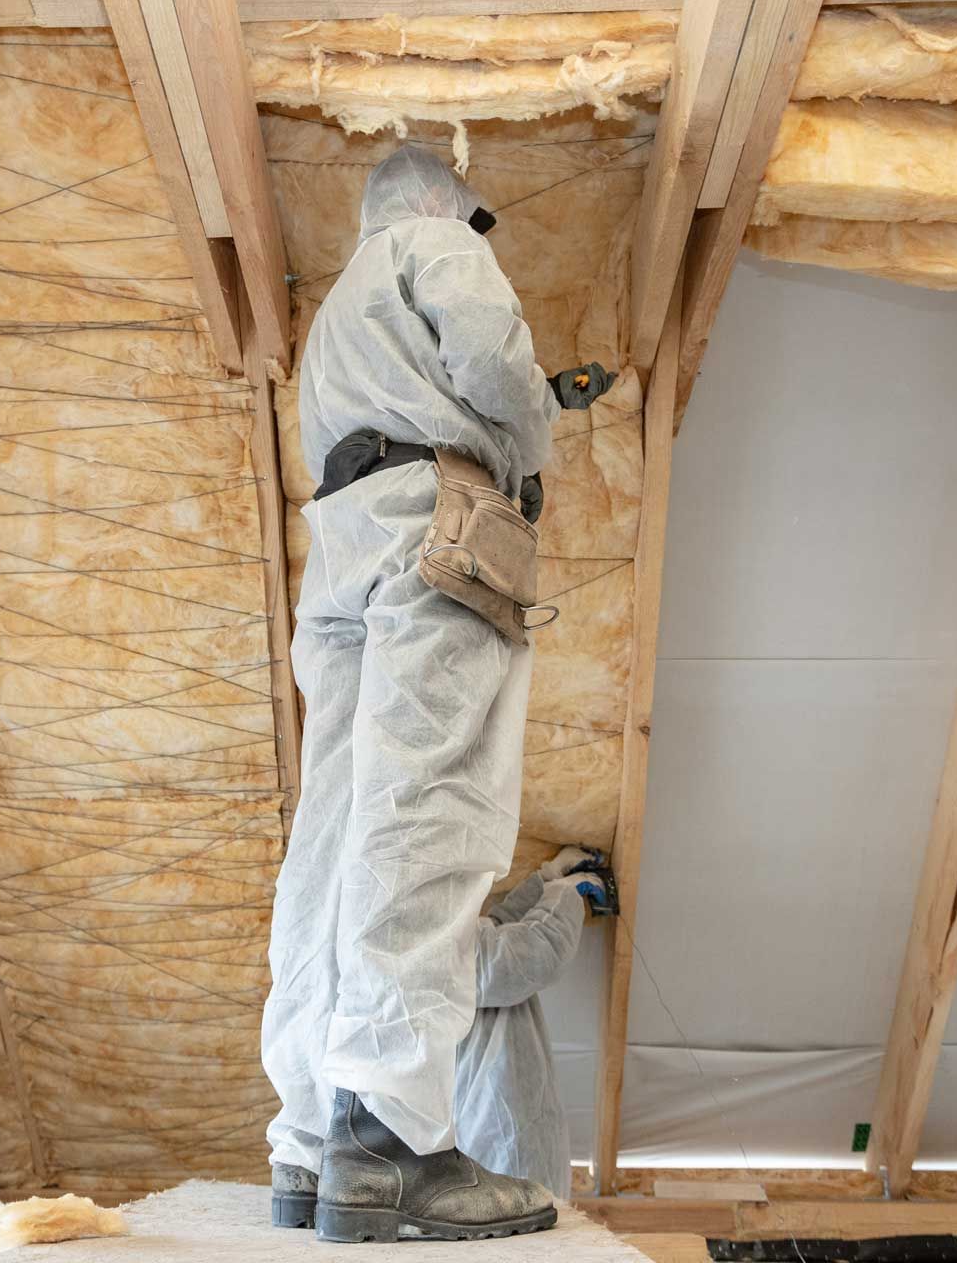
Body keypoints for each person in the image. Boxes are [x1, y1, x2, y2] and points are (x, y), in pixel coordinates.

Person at [258, 145, 613, 1245]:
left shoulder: (332, 322)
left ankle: (312, 1142)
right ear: (441, 203)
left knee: (338, 828)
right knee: (431, 808)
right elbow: (500, 368)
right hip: (431, 535)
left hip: (344, 551)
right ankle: (396, 1141)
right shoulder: (437, 243)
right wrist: (531, 446)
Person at [457, 847, 608, 1198]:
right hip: (504, 1150)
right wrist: (564, 894)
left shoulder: (443, 937)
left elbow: (495, 928)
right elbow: (538, 952)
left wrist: (544, 880)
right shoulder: (438, 947)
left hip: (500, 1141)